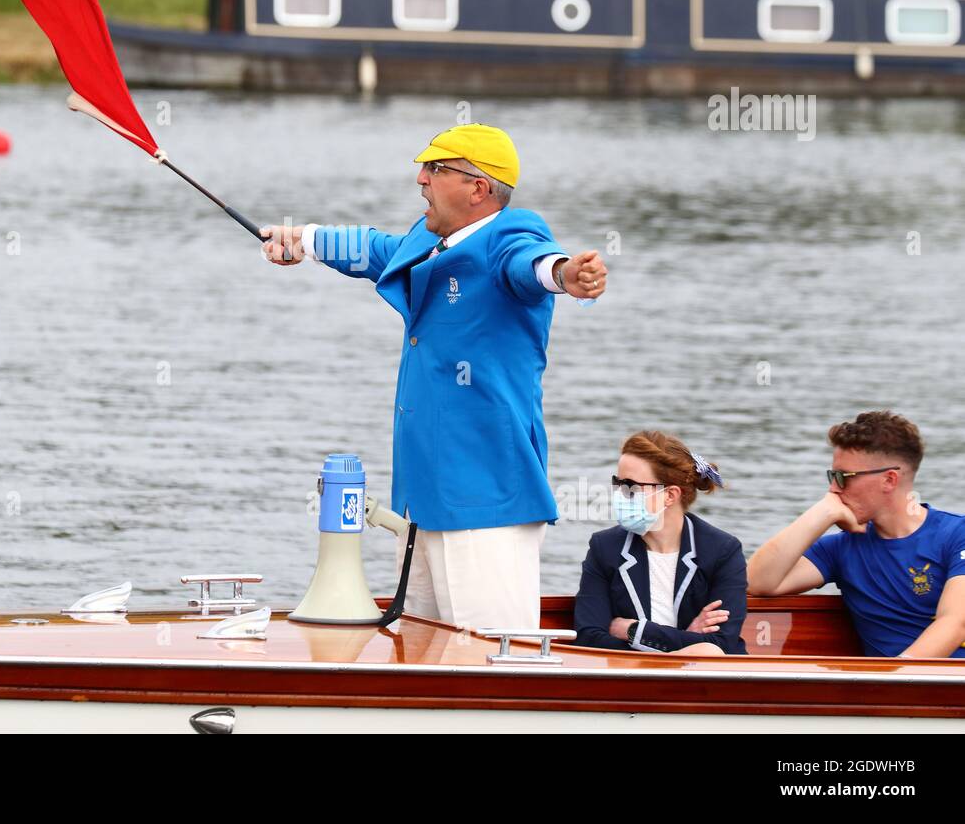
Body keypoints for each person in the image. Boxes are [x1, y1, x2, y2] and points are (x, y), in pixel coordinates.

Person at [260, 123, 606, 631]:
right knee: (419, 653)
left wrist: (565, 275)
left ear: (478, 189)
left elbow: (531, 266)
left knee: (492, 659)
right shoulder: (429, 240)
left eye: (436, 169)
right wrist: (303, 239)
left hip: (485, 504)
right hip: (421, 503)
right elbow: (373, 248)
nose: (421, 178)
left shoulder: (510, 235)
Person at [746, 411, 965, 659]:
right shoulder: (839, 549)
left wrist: (893, 681)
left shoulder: (958, 535)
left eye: (843, 477)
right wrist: (822, 512)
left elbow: (955, 623)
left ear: (889, 480)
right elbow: (758, 582)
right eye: (831, 476)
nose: (833, 488)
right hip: (891, 689)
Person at [574, 430, 747, 655]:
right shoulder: (604, 548)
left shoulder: (722, 550)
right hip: (631, 682)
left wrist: (634, 631)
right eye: (618, 483)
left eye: (631, 486)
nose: (620, 494)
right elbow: (589, 638)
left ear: (670, 495)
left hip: (707, 683)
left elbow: (722, 644)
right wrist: (690, 639)